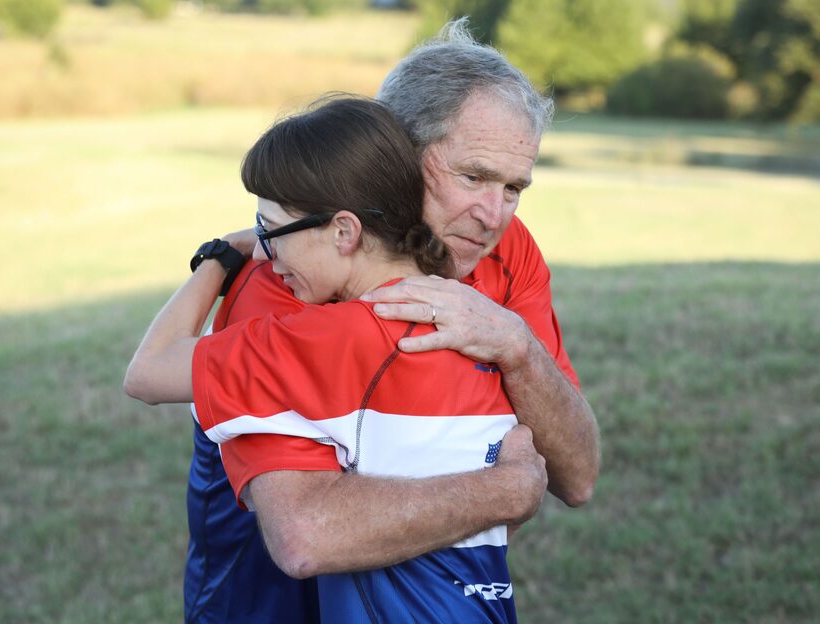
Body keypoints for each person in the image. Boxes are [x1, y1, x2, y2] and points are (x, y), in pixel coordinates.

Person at [140, 19, 598, 624]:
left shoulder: (506, 253)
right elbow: (307, 535)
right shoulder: (284, 285)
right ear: (392, 154)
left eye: (514, 187)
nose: (494, 214)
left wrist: (517, 346)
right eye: (473, 176)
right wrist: (506, 490)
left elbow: (578, 474)